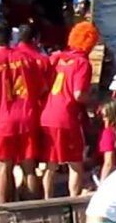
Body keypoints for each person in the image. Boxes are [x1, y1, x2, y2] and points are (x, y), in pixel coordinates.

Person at [0, 25, 42, 203]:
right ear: (11, 39)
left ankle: (6, 208)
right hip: (27, 118)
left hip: (3, 121)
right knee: (29, 167)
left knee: (4, 167)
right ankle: (34, 206)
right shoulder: (25, 58)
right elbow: (41, 86)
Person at [41, 22, 97, 198]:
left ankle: (47, 200)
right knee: (75, 163)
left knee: (50, 164)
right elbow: (78, 94)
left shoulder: (58, 58)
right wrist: (94, 100)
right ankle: (73, 199)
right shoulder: (82, 63)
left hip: (47, 115)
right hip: (66, 117)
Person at [97, 98, 116, 181]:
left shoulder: (109, 133)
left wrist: (101, 185)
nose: (103, 119)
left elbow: (109, 163)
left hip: (112, 177)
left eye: (104, 116)